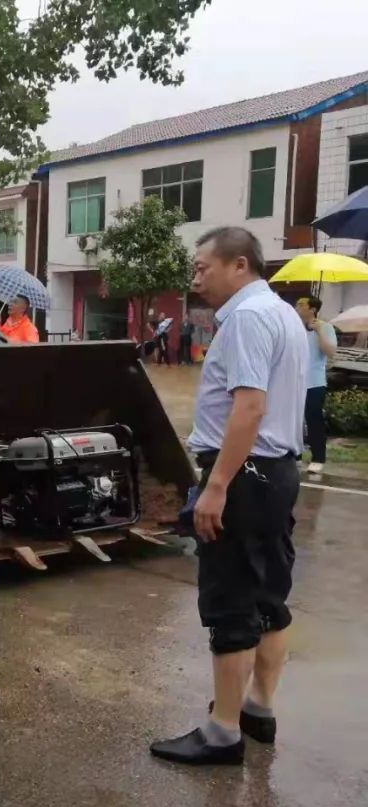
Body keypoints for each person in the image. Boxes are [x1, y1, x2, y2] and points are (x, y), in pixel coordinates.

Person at [151, 227, 305, 767]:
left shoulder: (244, 317)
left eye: (202, 267)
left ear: (239, 265)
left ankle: (223, 731)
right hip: (277, 470)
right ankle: (258, 708)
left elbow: (249, 408)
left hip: (243, 472)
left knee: (231, 599)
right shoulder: (284, 312)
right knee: (268, 595)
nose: (195, 278)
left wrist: (216, 486)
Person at [295, 295, 336, 474]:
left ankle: (318, 458)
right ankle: (294, 454)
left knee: (313, 419)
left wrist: (318, 331)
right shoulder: (294, 327)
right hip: (295, 382)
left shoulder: (325, 327)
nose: (297, 307)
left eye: (301, 304)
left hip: (315, 382)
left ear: (312, 309)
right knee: (293, 420)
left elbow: (330, 351)